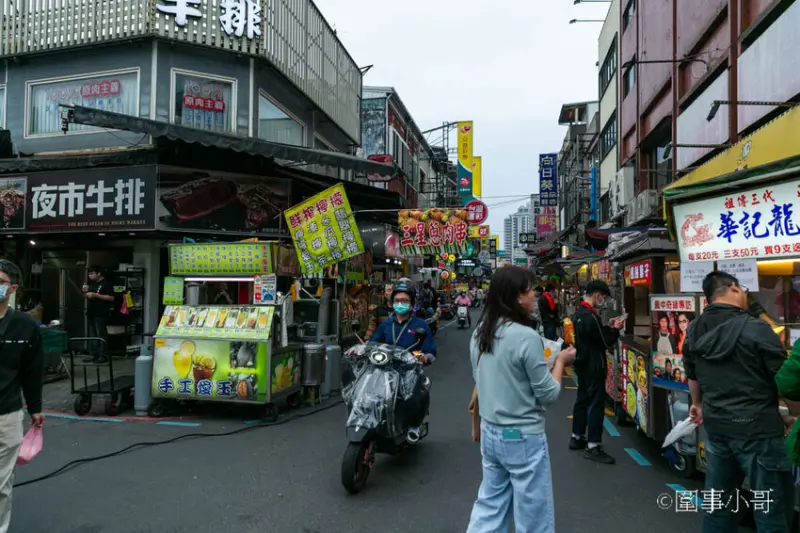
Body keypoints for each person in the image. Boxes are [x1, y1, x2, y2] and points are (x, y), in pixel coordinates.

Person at [466, 266, 576, 533]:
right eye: (532, 291)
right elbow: (548, 394)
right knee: (533, 515)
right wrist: (560, 362)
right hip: (523, 437)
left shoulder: (481, 331)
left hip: (491, 433)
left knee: (490, 506)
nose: (535, 297)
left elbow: (480, 378)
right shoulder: (526, 337)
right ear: (517, 296)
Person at [684, 271, 792, 533]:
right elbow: (785, 380)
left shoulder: (695, 327)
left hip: (718, 428)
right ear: (733, 288)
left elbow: (692, 373)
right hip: (759, 431)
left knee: (718, 507)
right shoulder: (757, 328)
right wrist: (793, 414)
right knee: (771, 510)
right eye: (743, 289)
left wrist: (697, 404)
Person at [0, 260, 44, 533]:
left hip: (7, 414)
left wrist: (36, 408)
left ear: (12, 288)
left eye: (0, 281)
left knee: (2, 482)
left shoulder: (25, 326)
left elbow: (31, 370)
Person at [570, 280, 624, 464]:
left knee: (582, 401)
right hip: (594, 366)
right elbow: (604, 341)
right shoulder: (590, 316)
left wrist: (606, 326)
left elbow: (595, 335)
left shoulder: (579, 314)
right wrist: (615, 330)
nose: (603, 300)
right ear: (596, 294)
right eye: (603, 296)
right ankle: (593, 445)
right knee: (595, 405)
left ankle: (576, 437)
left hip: (582, 365)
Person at [370, 283, 436, 432]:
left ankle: (413, 426)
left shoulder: (421, 325)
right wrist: (357, 350)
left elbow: (431, 352)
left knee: (413, 398)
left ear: (411, 304)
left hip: (409, 372)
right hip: (385, 371)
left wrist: (421, 357)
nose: (400, 303)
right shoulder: (385, 325)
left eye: (405, 301)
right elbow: (372, 343)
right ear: (392, 303)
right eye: (397, 300)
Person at [82, 266, 115, 364]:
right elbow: (88, 295)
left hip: (101, 312)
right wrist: (85, 292)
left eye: (92, 273)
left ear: (99, 273)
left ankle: (102, 355)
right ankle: (93, 354)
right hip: (92, 311)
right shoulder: (92, 284)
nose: (90, 276)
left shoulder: (106, 284)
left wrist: (96, 295)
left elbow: (111, 298)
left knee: (101, 333)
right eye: (89, 274)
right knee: (92, 334)